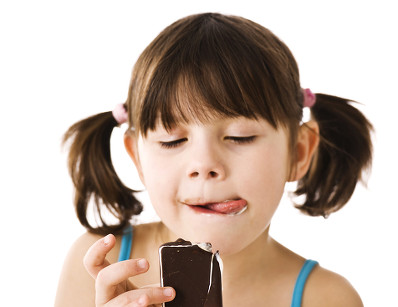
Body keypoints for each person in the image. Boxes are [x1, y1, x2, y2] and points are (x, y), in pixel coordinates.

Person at [55, 13, 373, 307]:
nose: (204, 164)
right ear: (137, 158)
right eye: (172, 141)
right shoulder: (100, 267)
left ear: (298, 153)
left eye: (240, 137)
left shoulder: (327, 299)